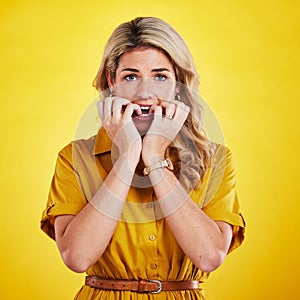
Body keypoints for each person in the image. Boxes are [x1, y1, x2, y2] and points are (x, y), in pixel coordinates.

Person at [41, 16, 245, 300]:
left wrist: (153, 156)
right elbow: (77, 258)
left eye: (160, 76)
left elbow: (209, 256)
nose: (145, 93)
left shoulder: (216, 159)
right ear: (112, 82)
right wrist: (127, 156)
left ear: (178, 84)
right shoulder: (74, 158)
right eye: (131, 76)